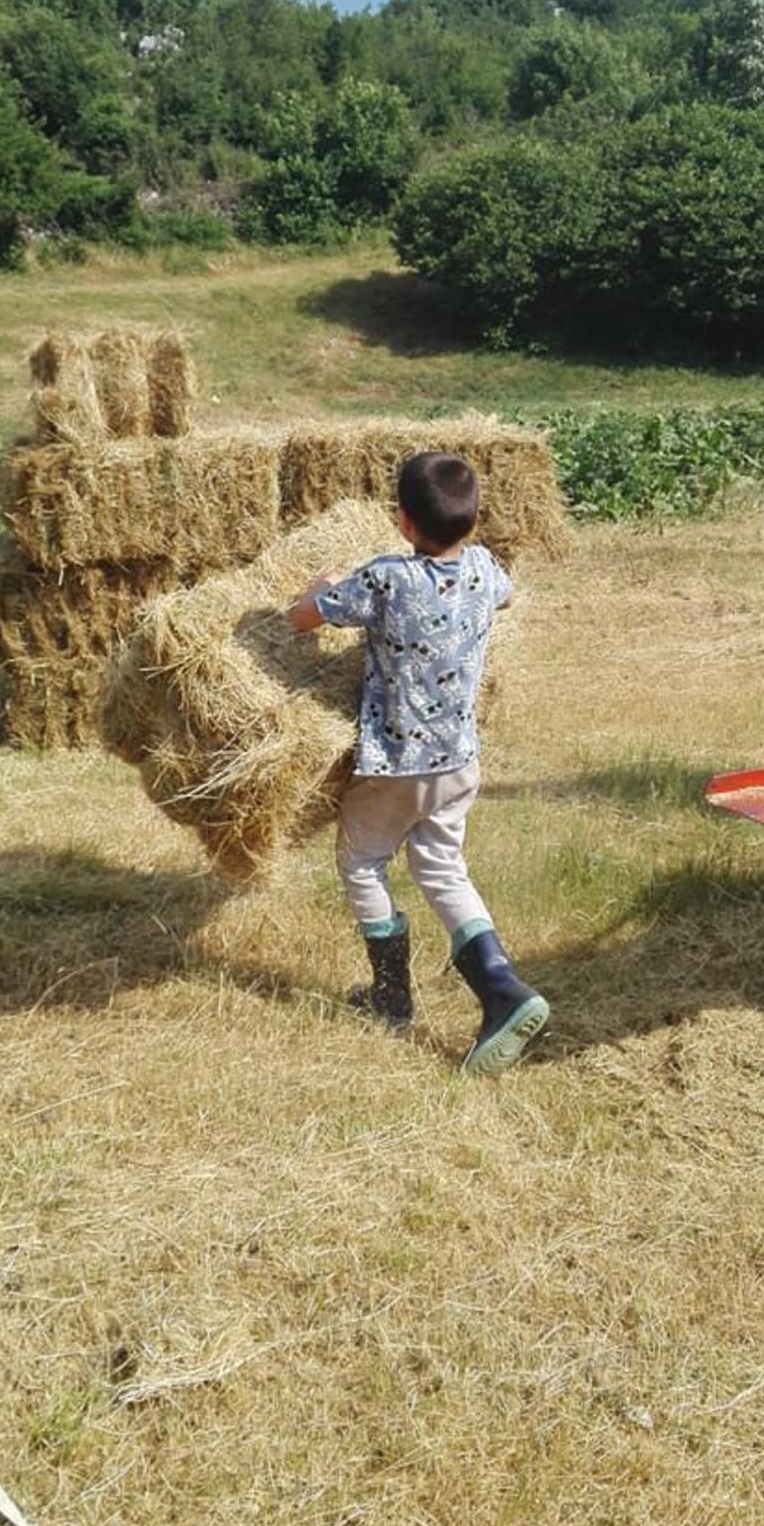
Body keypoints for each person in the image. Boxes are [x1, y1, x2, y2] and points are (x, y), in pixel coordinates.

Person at [289, 451, 549, 1075]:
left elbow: (302, 619)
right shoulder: (486, 568)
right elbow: (505, 598)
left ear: (403, 521)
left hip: (395, 765)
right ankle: (503, 990)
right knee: (442, 868)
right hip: (458, 763)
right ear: (473, 518)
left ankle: (391, 995)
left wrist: (317, 588)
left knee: (360, 862)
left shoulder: (386, 579)